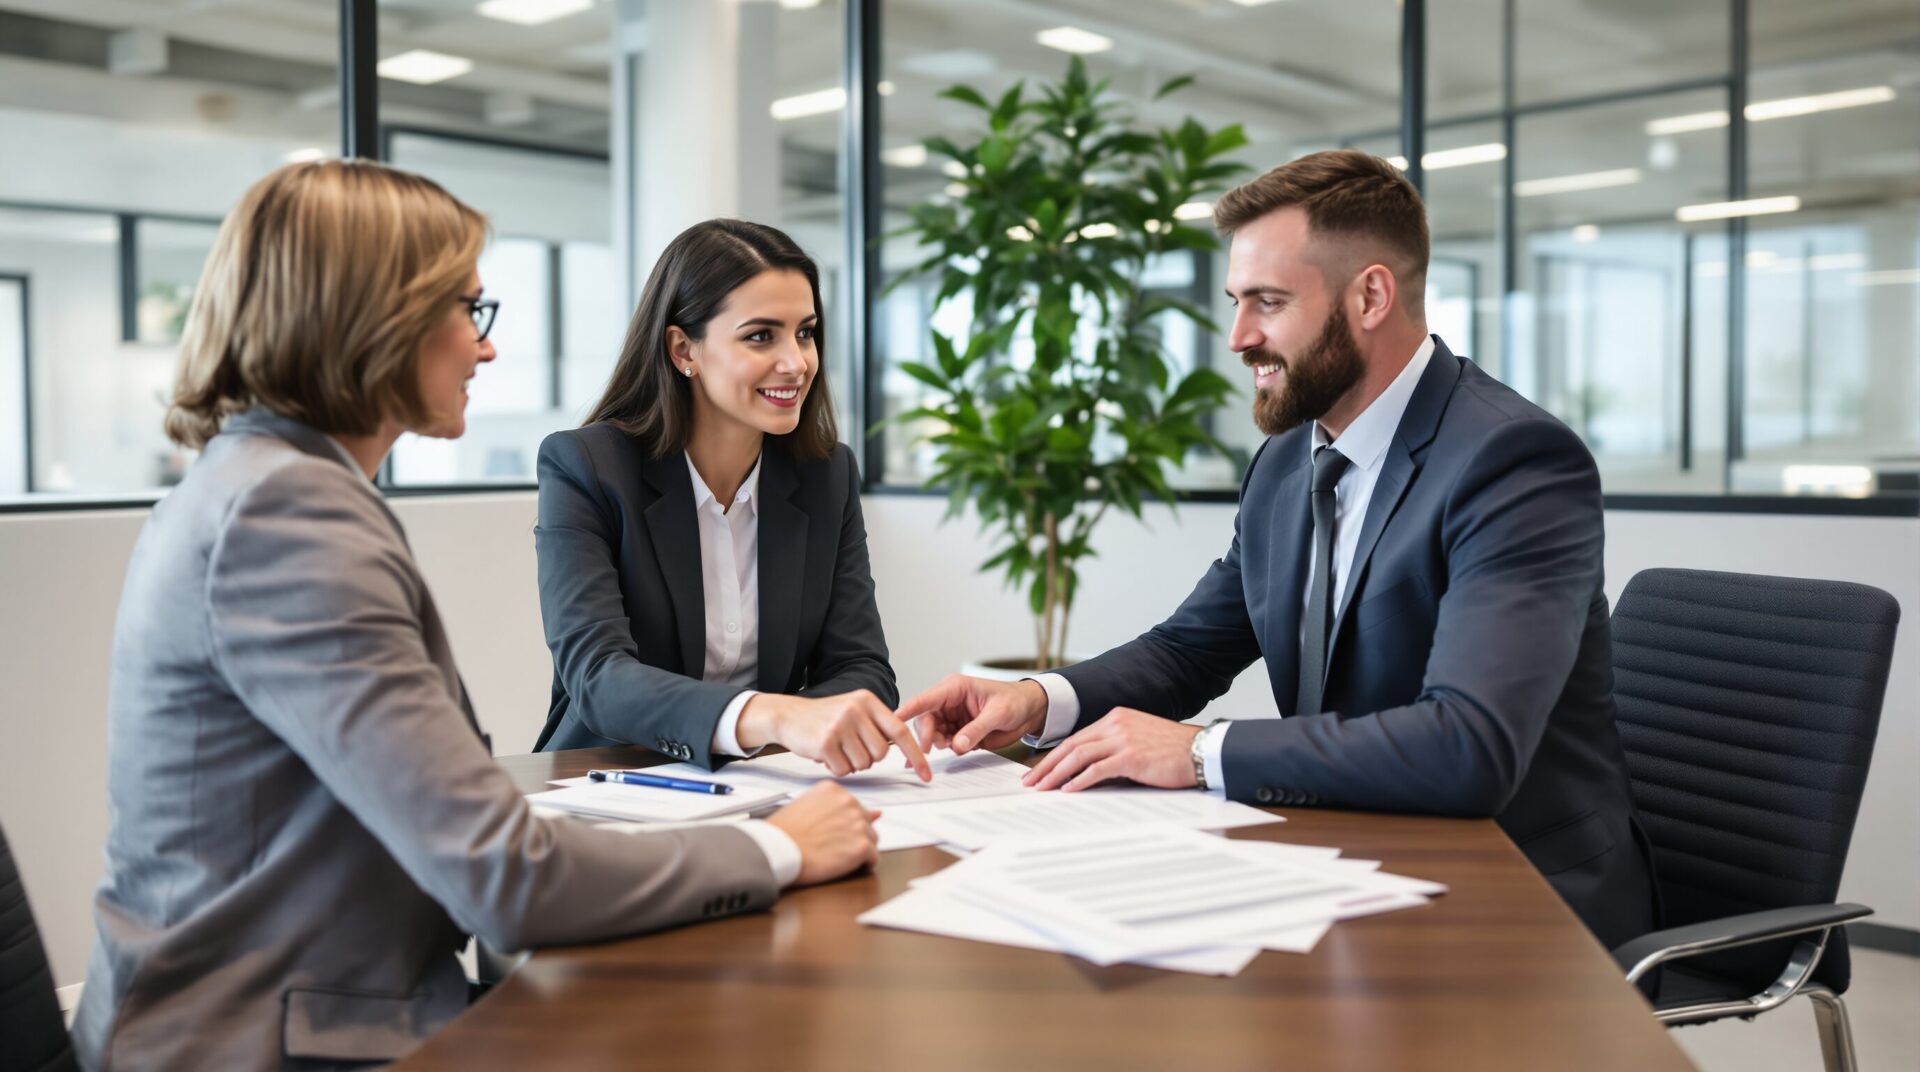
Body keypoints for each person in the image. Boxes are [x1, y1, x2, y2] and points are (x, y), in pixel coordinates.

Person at [72, 161, 880, 1071]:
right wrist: (770, 849)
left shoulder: (264, 487)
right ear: (373, 320)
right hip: (267, 1034)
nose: (484, 348)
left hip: (325, 992)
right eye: (467, 311)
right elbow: (501, 873)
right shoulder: (283, 520)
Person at [898, 149, 1657, 949]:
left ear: (1370, 295)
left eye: (1266, 302)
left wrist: (1198, 753)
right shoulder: (1291, 459)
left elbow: (1469, 746)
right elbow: (1189, 649)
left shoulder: (1513, 460)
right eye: (1235, 301)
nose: (1236, 337)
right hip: (1353, 860)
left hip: (1519, 899)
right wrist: (1037, 698)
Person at [532, 219, 927, 781]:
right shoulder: (587, 468)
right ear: (682, 349)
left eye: (806, 332)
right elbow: (598, 677)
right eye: (761, 336)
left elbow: (862, 668)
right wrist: (768, 715)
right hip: (609, 779)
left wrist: (791, 730)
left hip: (767, 782)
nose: (796, 362)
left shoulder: (826, 474)